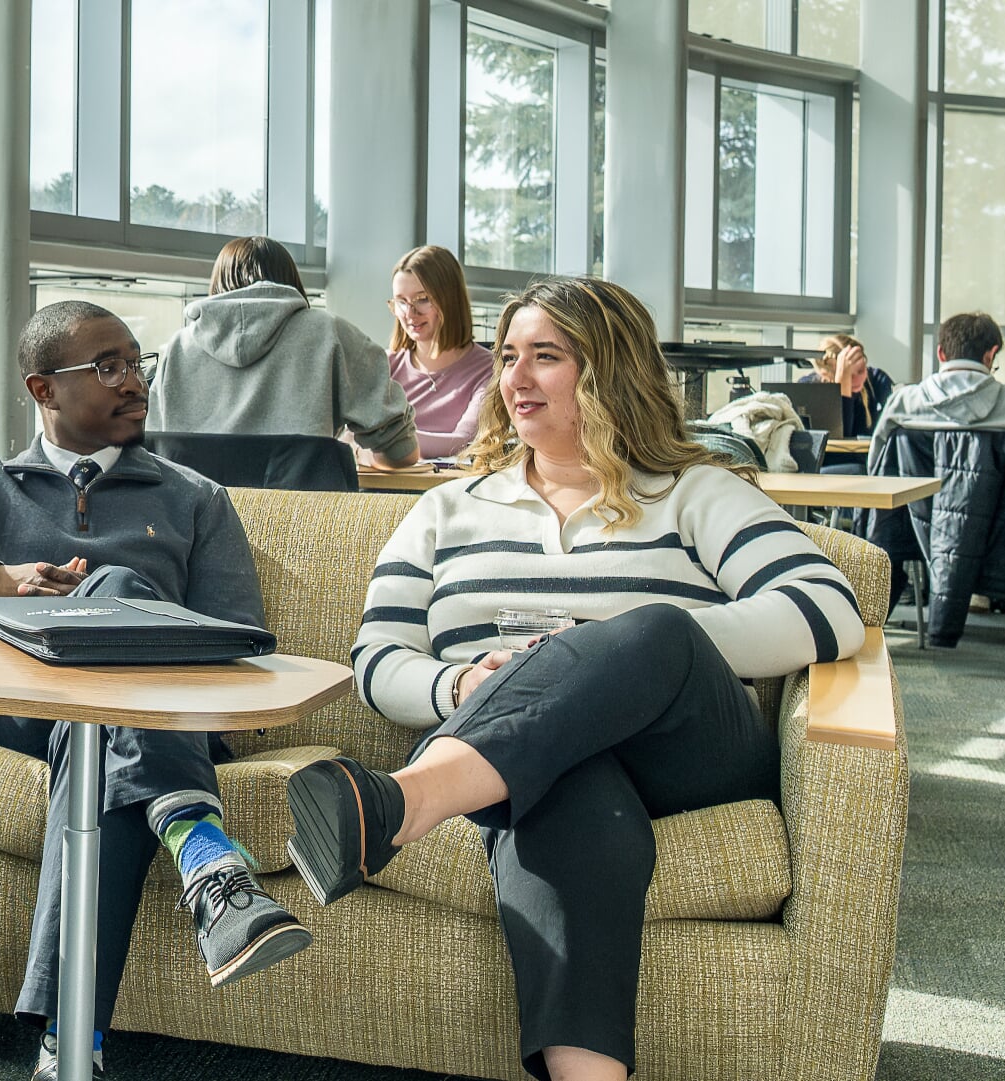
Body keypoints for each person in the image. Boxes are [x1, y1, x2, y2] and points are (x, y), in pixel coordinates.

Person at [292, 277, 862, 1081]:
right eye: (510, 357)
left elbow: (827, 607)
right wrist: (459, 687)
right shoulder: (444, 510)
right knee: (567, 783)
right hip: (521, 763)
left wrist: (600, 653)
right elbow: (378, 657)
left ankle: (406, 800)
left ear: (607, 371)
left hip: (686, 755)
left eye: (546, 357)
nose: (515, 378)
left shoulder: (694, 492)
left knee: (654, 628)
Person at [0, 300, 310, 1081]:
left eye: (137, 362)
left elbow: (242, 641)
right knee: (111, 628)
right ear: (43, 388)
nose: (135, 382)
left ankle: (68, 1050)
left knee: (100, 737)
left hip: (159, 720)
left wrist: (125, 621)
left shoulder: (194, 498)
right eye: (109, 367)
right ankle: (201, 848)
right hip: (19, 716)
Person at [146, 235, 420, 467]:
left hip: (196, 525)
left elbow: (156, 456)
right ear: (291, 279)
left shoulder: (178, 349)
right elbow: (400, 452)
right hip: (302, 523)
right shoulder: (329, 333)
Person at [384, 244, 493, 459]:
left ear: (450, 300)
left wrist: (382, 441)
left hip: (449, 489)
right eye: (401, 302)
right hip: (376, 491)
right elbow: (349, 437)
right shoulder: (385, 365)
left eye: (422, 299)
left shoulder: (489, 370)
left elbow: (464, 442)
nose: (410, 313)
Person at [872, 312, 1005, 433]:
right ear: (990, 356)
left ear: (940, 353)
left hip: (921, 470)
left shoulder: (904, 402)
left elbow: (877, 465)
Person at [797, 333, 895, 439]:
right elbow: (841, 441)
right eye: (849, 376)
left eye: (861, 370)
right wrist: (842, 389)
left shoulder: (876, 380)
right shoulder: (810, 389)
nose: (857, 379)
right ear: (826, 376)